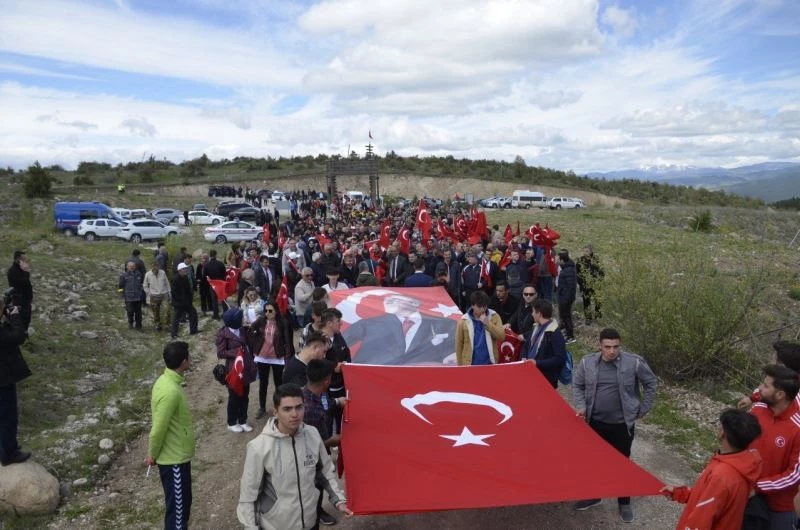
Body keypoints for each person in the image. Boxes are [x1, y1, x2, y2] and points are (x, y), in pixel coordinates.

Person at [237, 383, 352, 530]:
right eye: (287, 409)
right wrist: (251, 527)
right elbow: (248, 496)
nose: (295, 414)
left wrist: (339, 500)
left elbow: (325, 472)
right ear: (276, 412)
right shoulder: (259, 447)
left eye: (299, 407)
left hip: (311, 522)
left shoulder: (312, 434)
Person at [572, 328, 657, 523]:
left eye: (616, 347)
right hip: (594, 423)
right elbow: (577, 385)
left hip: (621, 425)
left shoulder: (634, 362)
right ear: (599, 346)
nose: (612, 351)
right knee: (594, 461)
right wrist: (581, 406)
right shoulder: (587, 363)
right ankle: (594, 495)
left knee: (622, 463)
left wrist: (644, 408)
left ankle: (624, 501)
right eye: (607, 347)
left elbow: (651, 382)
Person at [660, 408, 762, 530]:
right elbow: (710, 498)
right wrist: (680, 493)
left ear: (722, 433)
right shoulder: (742, 464)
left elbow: (701, 521)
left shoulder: (722, 475)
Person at [146, 341, 195, 530]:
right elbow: (158, 429)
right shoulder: (170, 391)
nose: (190, 358)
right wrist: (152, 454)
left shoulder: (167, 381)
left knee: (182, 507)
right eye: (189, 356)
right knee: (177, 514)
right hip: (173, 460)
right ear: (184, 361)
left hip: (178, 455)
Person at [748, 364, 800, 527]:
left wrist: (757, 486)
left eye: (765, 386)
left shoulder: (797, 428)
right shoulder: (757, 409)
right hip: (746, 495)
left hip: (778, 510)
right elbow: (739, 444)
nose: (759, 389)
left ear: (780, 395)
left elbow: (794, 474)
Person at [342, 292, 457, 365]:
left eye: (394, 300)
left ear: (414, 303)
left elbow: (454, 349)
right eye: (387, 300)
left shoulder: (443, 325)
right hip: (374, 376)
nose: (387, 302)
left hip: (418, 378)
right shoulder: (370, 324)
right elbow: (341, 343)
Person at [303, 359, 349, 526]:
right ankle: (315, 513)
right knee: (315, 487)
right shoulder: (308, 410)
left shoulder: (311, 394)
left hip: (320, 452)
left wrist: (338, 401)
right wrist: (334, 439)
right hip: (312, 461)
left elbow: (325, 405)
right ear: (326, 381)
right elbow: (313, 444)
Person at [0, 296, 31, 466]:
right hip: (3, 380)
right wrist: (14, 317)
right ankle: (9, 453)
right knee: (8, 416)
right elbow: (18, 336)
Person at [248, 302, 291, 420]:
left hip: (277, 357)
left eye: (270, 311)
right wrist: (254, 344)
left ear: (276, 311)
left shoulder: (282, 323)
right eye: (265, 311)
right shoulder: (261, 321)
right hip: (262, 357)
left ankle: (279, 407)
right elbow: (250, 330)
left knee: (278, 383)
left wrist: (287, 356)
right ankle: (262, 407)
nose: (267, 313)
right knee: (263, 383)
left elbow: (287, 340)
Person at [216, 308, 256, 433]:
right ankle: (232, 422)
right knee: (234, 397)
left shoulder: (243, 330)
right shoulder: (224, 333)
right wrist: (236, 353)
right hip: (233, 369)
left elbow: (251, 343)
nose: (243, 319)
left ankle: (243, 420)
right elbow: (220, 352)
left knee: (245, 395)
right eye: (240, 318)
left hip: (246, 367)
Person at [522, 299, 567, 389]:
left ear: (539, 313)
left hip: (546, 379)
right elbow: (527, 345)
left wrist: (537, 363)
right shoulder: (535, 327)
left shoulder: (555, 333)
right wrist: (523, 357)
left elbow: (560, 358)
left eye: (533, 312)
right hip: (531, 374)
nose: (532, 314)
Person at [320, 308, 351, 433]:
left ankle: (339, 439)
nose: (341, 323)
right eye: (338, 321)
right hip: (325, 388)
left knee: (340, 415)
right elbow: (314, 362)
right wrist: (333, 367)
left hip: (340, 385)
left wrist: (346, 364)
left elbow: (347, 354)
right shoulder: (318, 339)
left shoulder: (339, 337)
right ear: (329, 323)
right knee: (326, 417)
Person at [455, 290, 505, 366]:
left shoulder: (494, 316)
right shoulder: (463, 321)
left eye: (484, 306)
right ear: (472, 305)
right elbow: (459, 345)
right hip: (470, 365)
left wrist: (488, 323)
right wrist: (460, 367)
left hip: (490, 363)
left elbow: (501, 337)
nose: (482, 309)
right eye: (479, 306)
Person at [170, 263, 198, 339]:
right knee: (176, 318)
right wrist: (180, 301)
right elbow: (174, 292)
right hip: (178, 303)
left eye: (186, 269)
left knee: (193, 313)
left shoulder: (185, 278)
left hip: (186, 302)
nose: (186, 270)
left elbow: (188, 290)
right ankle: (174, 334)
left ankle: (193, 330)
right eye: (184, 269)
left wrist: (189, 301)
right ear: (179, 270)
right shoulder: (175, 279)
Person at [576, 245, 603, 322]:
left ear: (591, 251)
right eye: (584, 251)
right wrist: (581, 283)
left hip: (596, 285)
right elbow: (577, 273)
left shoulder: (596, 260)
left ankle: (598, 316)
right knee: (586, 302)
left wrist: (599, 281)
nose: (585, 253)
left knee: (598, 301)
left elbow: (601, 272)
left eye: (587, 251)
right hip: (585, 285)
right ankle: (588, 318)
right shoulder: (580, 261)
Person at [7, 250, 33, 331]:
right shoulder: (12, 271)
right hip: (19, 300)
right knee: (20, 319)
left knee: (27, 319)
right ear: (17, 260)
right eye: (23, 259)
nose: (25, 261)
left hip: (26, 299)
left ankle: (25, 336)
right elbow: (23, 282)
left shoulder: (21, 270)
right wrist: (26, 271)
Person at [143, 261, 171, 332]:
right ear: (152, 267)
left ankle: (167, 325)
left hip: (164, 294)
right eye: (154, 266)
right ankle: (158, 324)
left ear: (158, 266)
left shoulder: (163, 272)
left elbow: (167, 283)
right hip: (154, 296)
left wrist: (169, 292)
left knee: (167, 310)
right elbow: (145, 286)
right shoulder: (148, 274)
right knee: (155, 312)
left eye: (157, 266)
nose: (156, 268)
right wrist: (149, 293)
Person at [556, 249, 577, 344]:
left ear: (562, 260)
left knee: (566, 317)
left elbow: (570, 287)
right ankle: (566, 332)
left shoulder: (568, 271)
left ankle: (570, 336)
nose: (556, 259)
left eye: (558, 258)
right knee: (564, 316)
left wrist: (565, 299)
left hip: (566, 299)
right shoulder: (566, 267)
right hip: (564, 298)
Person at [119, 260, 144, 330]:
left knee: (138, 313)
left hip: (138, 297)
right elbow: (120, 287)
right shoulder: (123, 276)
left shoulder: (139, 274)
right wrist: (121, 295)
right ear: (127, 267)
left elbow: (142, 284)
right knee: (130, 312)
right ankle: (130, 323)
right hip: (128, 297)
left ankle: (139, 326)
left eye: (133, 266)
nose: (132, 267)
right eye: (130, 266)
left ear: (135, 267)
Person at [204, 249, 226, 319]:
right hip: (220, 283)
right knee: (223, 298)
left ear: (210, 256)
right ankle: (225, 312)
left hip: (212, 284)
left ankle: (216, 314)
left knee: (214, 300)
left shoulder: (206, 265)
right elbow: (224, 273)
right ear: (216, 255)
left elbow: (205, 275)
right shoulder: (220, 263)